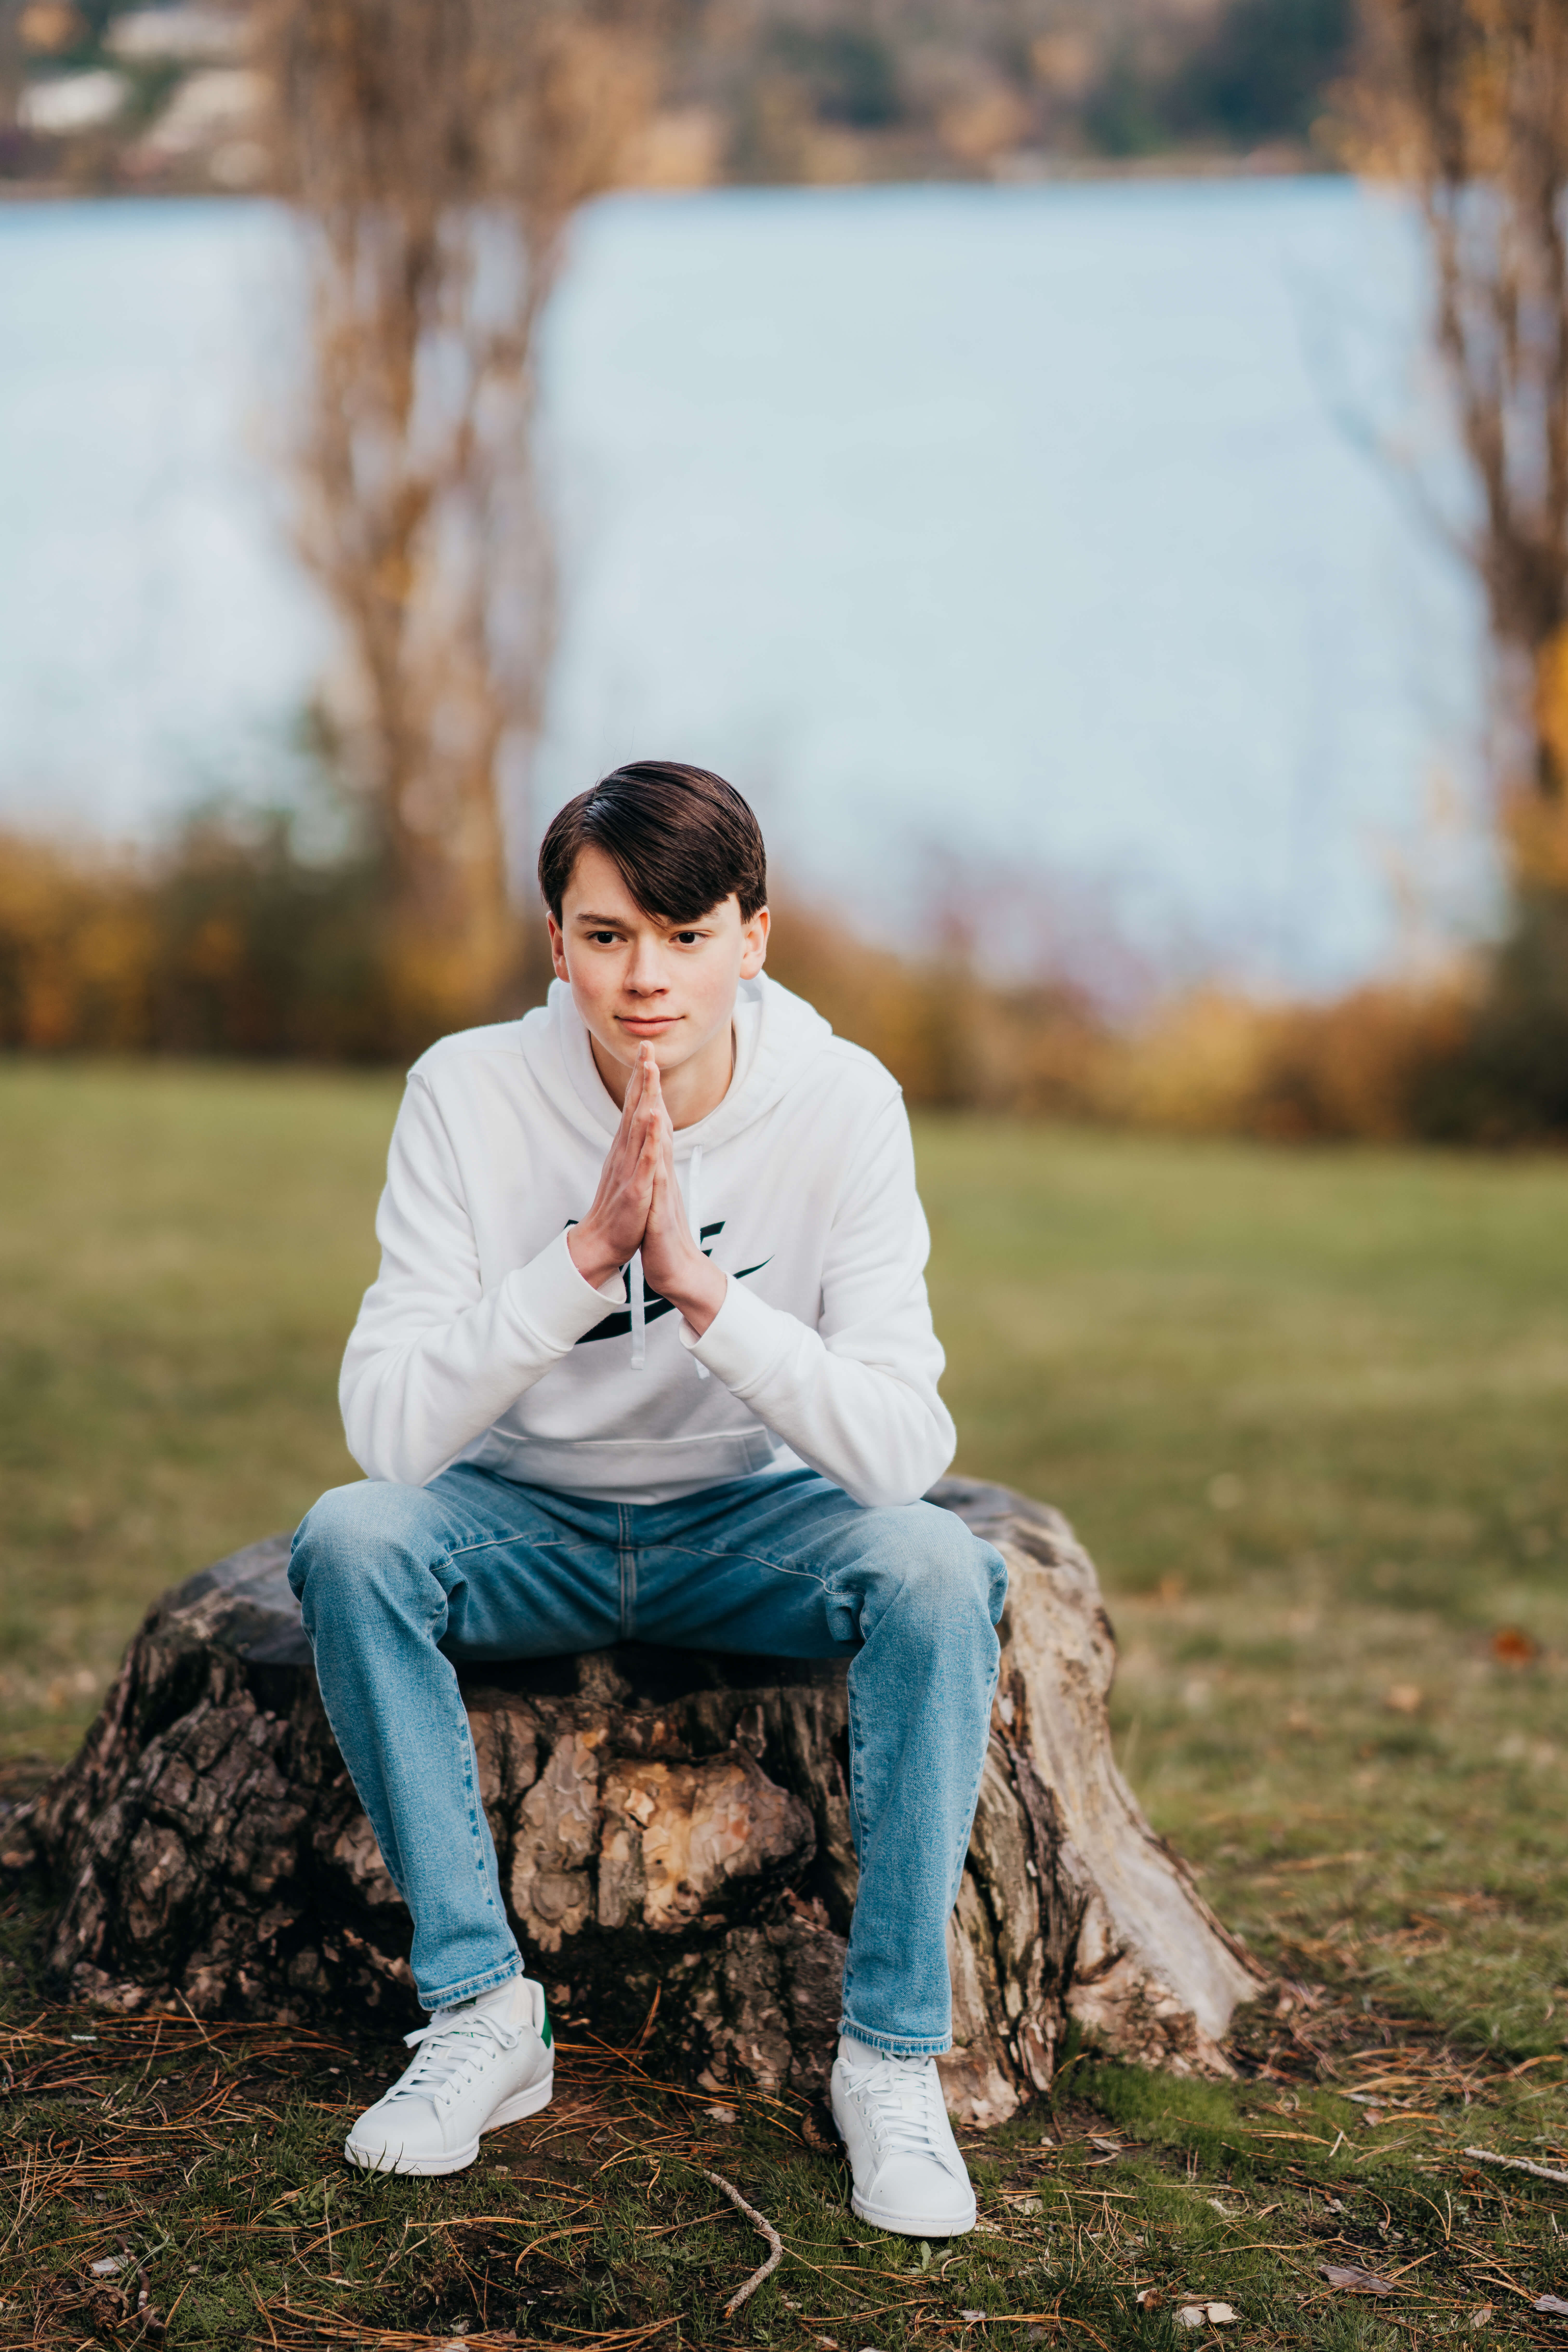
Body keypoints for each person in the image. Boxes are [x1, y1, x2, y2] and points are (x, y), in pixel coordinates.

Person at [288, 759, 1007, 2238]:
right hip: (518, 1522)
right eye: (607, 934)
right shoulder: (467, 1092)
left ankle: (885, 2057)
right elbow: (389, 1431)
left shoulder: (842, 1102)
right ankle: (485, 2017)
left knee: (939, 1570)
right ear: (557, 943)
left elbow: (898, 1448)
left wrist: (696, 1290)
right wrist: (580, 1260)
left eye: (687, 935)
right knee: (348, 1541)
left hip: (751, 1526)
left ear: (755, 936)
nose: (645, 977)